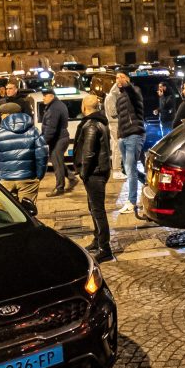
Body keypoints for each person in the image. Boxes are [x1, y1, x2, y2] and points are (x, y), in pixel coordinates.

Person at [73, 94, 113, 262]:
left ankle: (105, 248)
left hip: (94, 172)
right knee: (93, 208)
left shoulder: (90, 125)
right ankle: (97, 240)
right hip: (99, 171)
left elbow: (88, 153)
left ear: (84, 107)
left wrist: (83, 172)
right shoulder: (101, 122)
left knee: (98, 210)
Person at [0, 103, 49, 203]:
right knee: (28, 211)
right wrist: (39, 175)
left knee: (11, 213)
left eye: (1, 114)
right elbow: (42, 155)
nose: (0, 117)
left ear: (7, 115)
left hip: (5, 180)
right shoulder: (34, 131)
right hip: (28, 178)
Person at [115, 72, 145, 214]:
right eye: (116, 78)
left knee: (130, 169)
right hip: (123, 136)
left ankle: (131, 202)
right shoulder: (119, 97)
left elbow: (132, 92)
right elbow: (120, 118)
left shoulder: (135, 91)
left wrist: (126, 84)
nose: (118, 79)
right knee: (126, 168)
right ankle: (148, 182)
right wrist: (119, 135)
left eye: (121, 77)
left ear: (127, 79)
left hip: (134, 134)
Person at [42, 88, 78, 198]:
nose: (43, 98)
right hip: (60, 138)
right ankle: (72, 178)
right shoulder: (56, 105)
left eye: (45, 96)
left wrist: (43, 141)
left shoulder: (54, 108)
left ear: (52, 96)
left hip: (58, 138)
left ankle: (59, 188)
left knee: (57, 162)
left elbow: (51, 127)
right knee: (58, 162)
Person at [105, 82, 123, 179]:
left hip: (116, 123)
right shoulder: (111, 97)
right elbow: (113, 112)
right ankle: (116, 170)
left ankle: (118, 168)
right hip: (114, 124)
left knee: (117, 146)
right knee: (117, 147)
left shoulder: (113, 96)